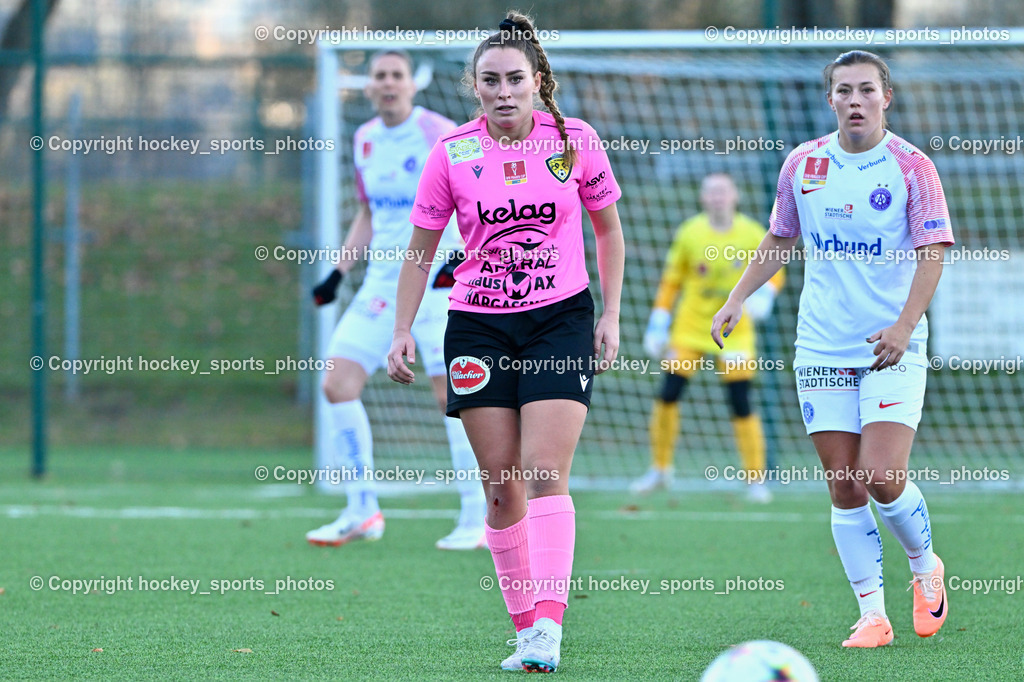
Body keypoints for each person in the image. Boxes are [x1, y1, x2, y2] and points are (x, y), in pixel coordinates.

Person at [387, 11, 624, 673]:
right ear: (474, 87)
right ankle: (524, 629)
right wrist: (403, 328)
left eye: (514, 78)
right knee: (501, 488)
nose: (503, 91)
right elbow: (420, 250)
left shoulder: (575, 141)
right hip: (478, 326)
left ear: (537, 80)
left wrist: (609, 315)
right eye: (489, 80)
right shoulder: (453, 153)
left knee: (546, 473)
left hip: (560, 321)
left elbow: (608, 231)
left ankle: (549, 626)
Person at [711, 50, 953, 648]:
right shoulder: (804, 163)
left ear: (885, 98)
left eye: (866, 90)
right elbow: (780, 236)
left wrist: (903, 326)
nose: (854, 101)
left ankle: (926, 568)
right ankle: (872, 614)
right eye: (843, 90)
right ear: (830, 100)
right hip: (821, 347)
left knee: (881, 475)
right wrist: (737, 296)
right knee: (844, 483)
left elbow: (934, 251)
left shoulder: (911, 167)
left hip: (891, 347)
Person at [306, 49, 487, 551]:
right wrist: (338, 272)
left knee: (453, 398)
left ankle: (478, 518)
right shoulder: (364, 139)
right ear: (369, 87)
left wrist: (463, 257)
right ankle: (362, 510)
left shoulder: (440, 133)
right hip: (383, 285)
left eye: (396, 76)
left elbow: (477, 198)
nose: (387, 84)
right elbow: (368, 213)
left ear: (412, 84)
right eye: (379, 76)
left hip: (440, 282)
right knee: (337, 384)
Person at [634, 173, 784, 502]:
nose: (717, 197)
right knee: (669, 392)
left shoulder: (751, 232)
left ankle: (755, 478)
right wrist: (658, 321)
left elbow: (776, 265)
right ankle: (660, 469)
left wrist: (765, 296)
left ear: (735, 196)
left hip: (734, 331)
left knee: (741, 400)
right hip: (691, 327)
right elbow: (671, 281)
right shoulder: (690, 232)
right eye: (711, 192)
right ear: (703, 199)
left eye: (723, 191)